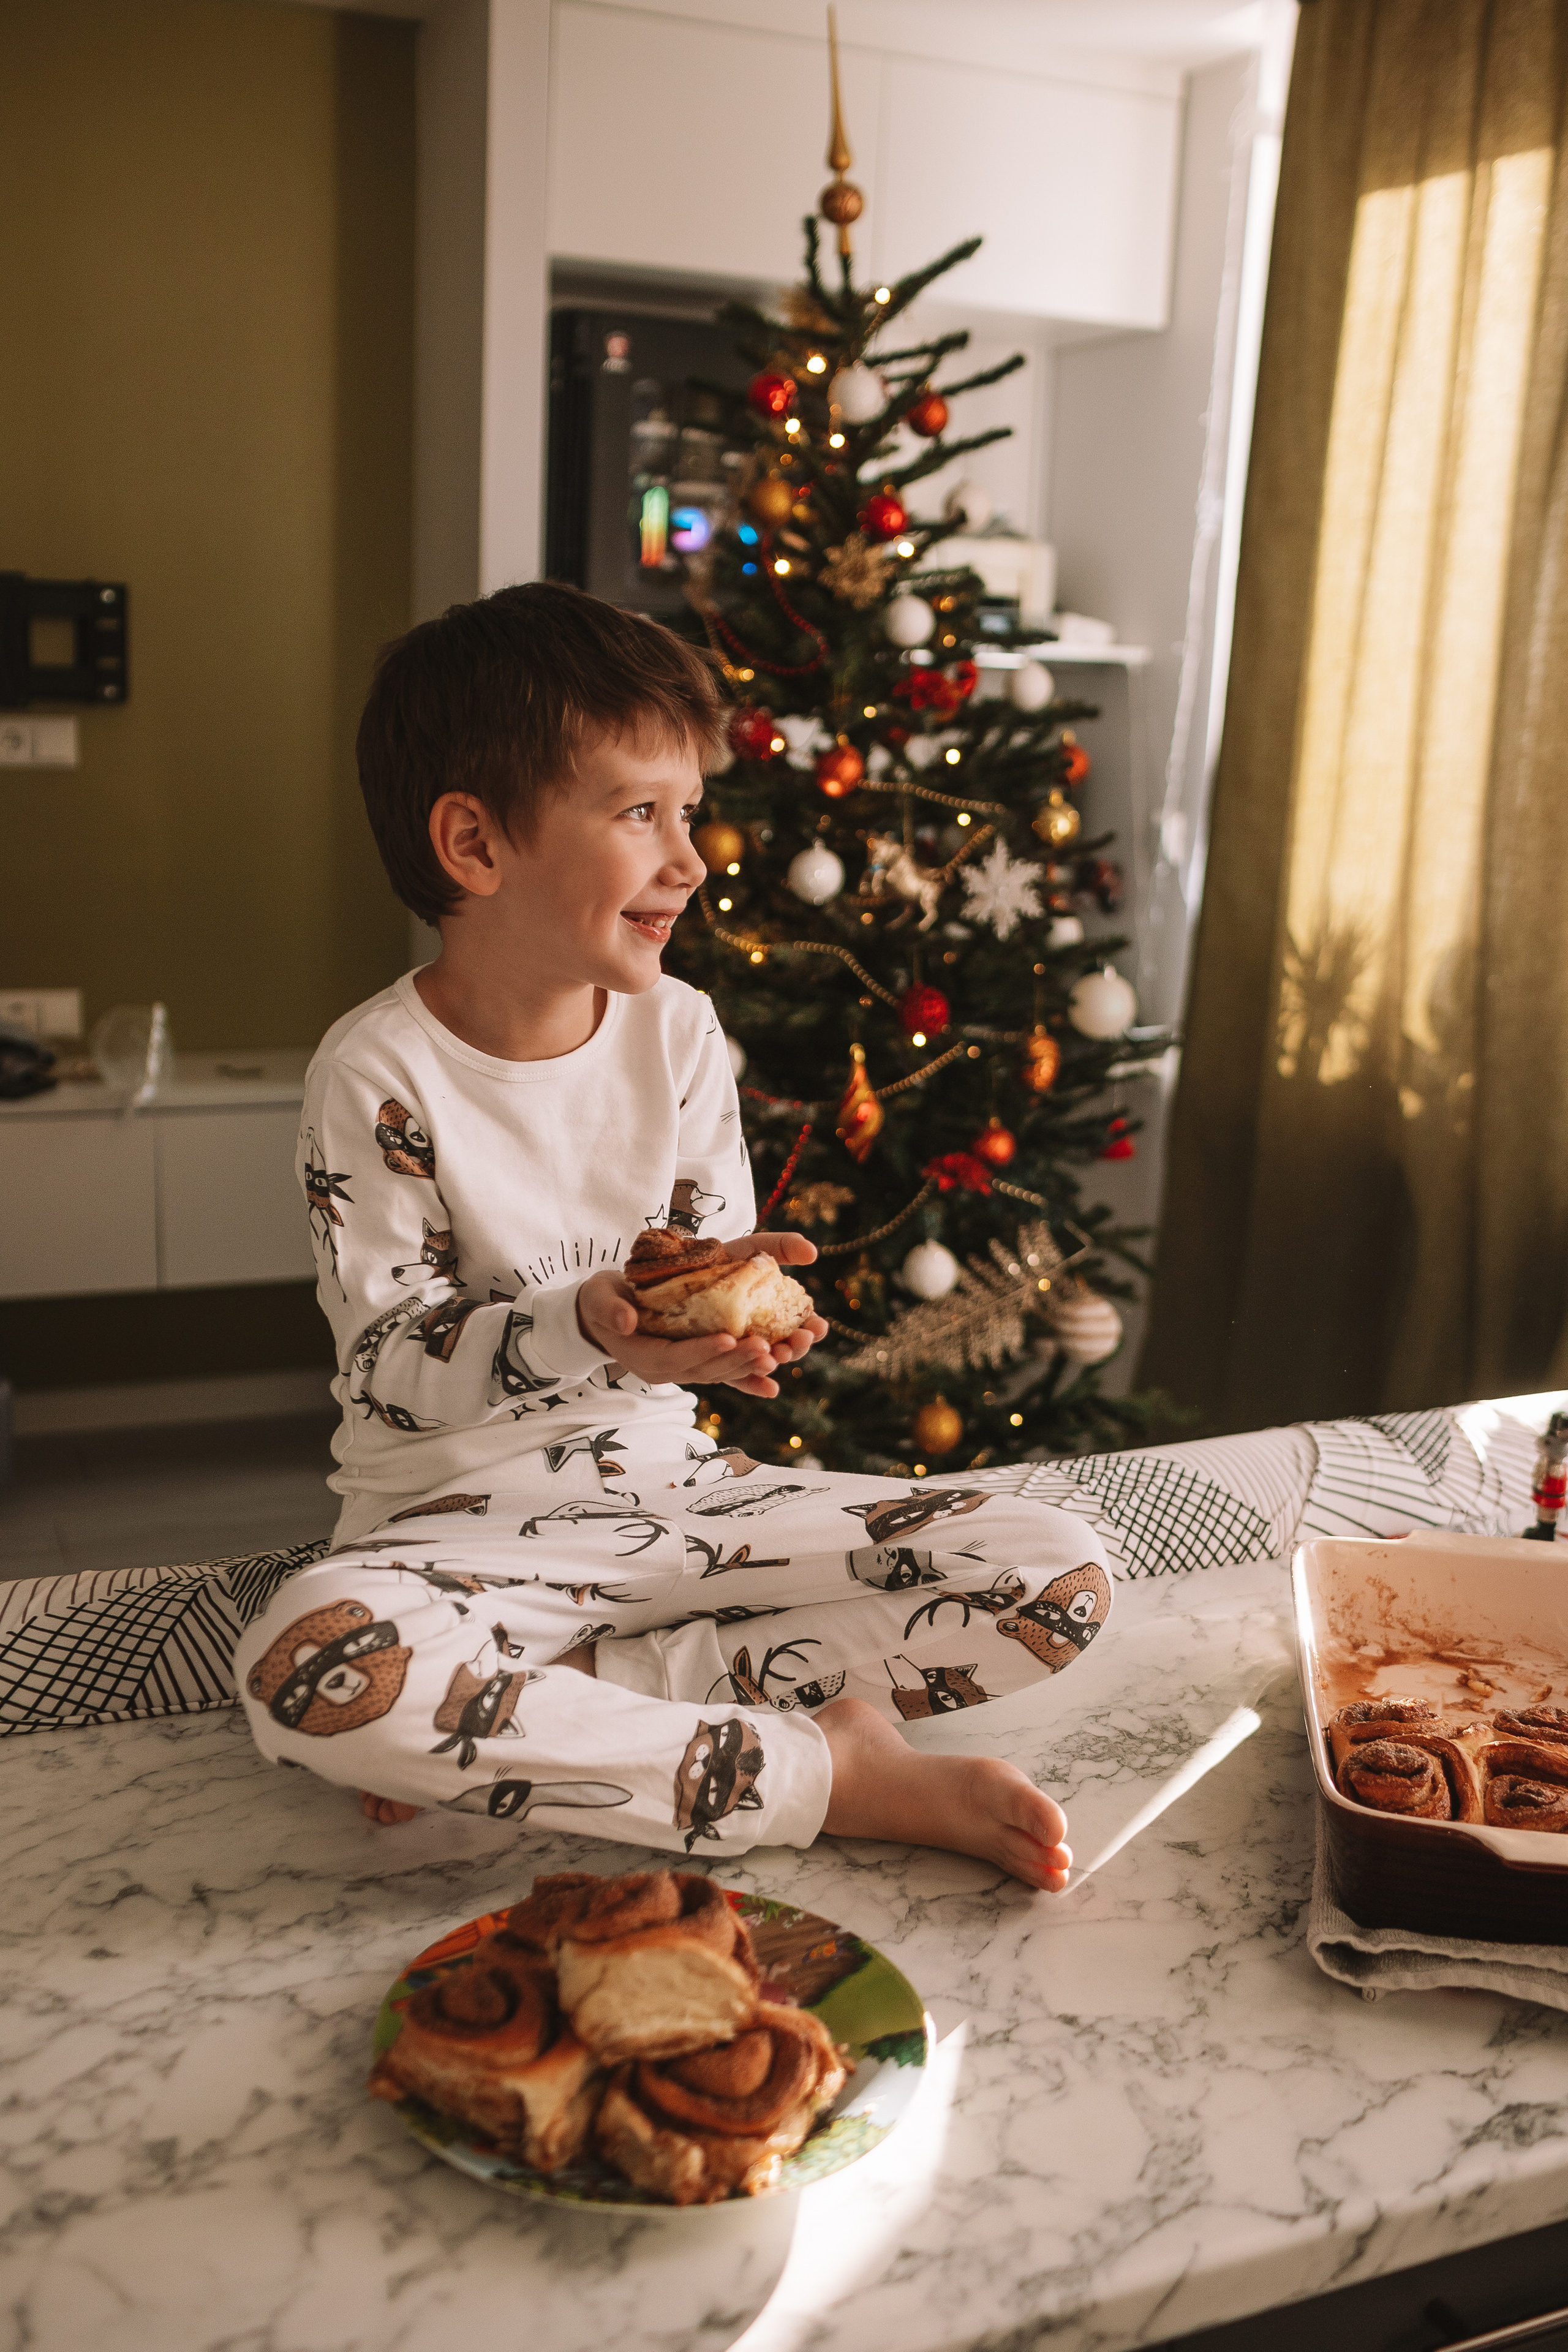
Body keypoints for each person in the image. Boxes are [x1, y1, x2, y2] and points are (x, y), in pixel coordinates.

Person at [235, 583, 1113, 1892]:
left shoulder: (679, 1030)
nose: (690, 861)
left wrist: (726, 1342)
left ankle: (579, 1699)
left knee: (1059, 1569)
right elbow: (388, 1370)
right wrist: (578, 1324)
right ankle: (825, 1773)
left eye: (688, 813)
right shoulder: (378, 1074)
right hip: (456, 1528)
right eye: (639, 813)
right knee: (307, 1668)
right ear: (473, 845)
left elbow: (682, 1283)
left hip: (675, 1505)